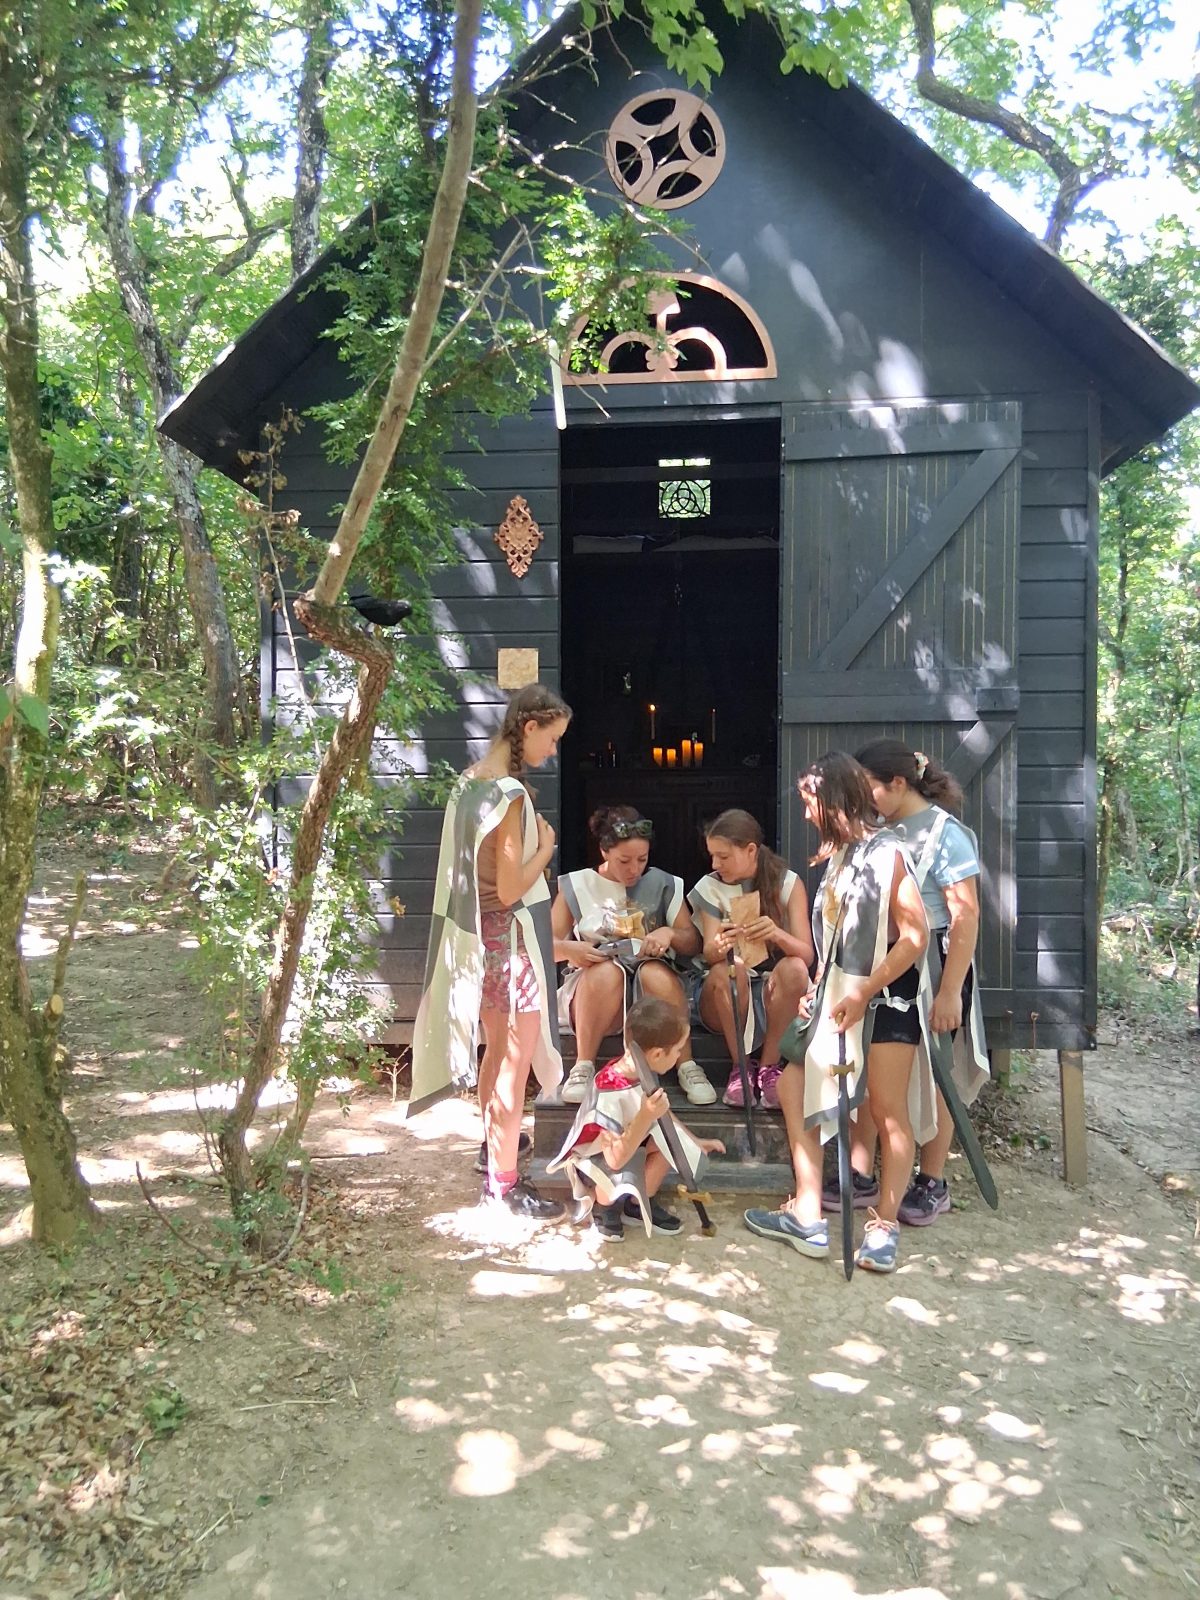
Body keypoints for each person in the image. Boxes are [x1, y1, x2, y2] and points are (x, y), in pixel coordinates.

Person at [743, 753, 936, 1274]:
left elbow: (914, 936)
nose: (806, 814)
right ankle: (807, 1214)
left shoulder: (888, 854)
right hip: (834, 1002)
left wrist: (865, 990)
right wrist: (819, 988)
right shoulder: (840, 858)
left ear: (833, 801)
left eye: (810, 803)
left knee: (886, 1111)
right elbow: (836, 940)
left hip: (885, 1002)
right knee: (792, 1086)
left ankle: (884, 1226)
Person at [410, 683, 571, 1219]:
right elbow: (508, 888)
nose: (553, 750)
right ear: (529, 727)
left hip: (480, 942)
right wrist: (546, 850)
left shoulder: (468, 782)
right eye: (552, 738)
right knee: (514, 1064)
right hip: (511, 942)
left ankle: (492, 1152)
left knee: (496, 1052)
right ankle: (504, 1186)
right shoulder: (508, 794)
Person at [838, 738, 989, 1226]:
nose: (864, 800)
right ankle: (863, 1172)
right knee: (876, 1066)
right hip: (890, 964)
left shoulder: (947, 834)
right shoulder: (882, 831)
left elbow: (965, 916)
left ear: (899, 783)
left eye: (870, 788)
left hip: (938, 965)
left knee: (938, 1070)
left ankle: (932, 1180)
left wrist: (950, 992)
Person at [552, 806, 712, 1108]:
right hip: (596, 993)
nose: (634, 869)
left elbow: (693, 942)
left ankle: (687, 1064)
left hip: (651, 993)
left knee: (655, 973)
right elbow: (546, 944)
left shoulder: (664, 883)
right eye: (624, 861)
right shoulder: (577, 884)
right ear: (604, 851)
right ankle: (583, 1065)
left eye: (642, 859)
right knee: (606, 972)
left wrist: (669, 933)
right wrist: (571, 949)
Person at [547, 995, 725, 1242]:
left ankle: (637, 1204)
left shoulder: (643, 1071)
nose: (678, 1056)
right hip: (598, 1158)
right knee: (611, 1172)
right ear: (657, 1054)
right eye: (678, 1051)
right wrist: (645, 1115)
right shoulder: (608, 1090)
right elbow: (614, 1158)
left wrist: (692, 1141)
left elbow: (664, 1115)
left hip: (631, 1145)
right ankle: (604, 1207)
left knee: (670, 1143)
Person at [687, 809, 814, 1109]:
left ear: (751, 850)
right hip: (726, 991)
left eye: (723, 856)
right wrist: (721, 944)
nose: (715, 864)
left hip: (773, 990)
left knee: (795, 969)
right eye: (712, 856)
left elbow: (807, 954)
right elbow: (709, 953)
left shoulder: (787, 883)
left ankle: (769, 1067)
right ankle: (740, 1067)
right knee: (731, 970)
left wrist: (777, 934)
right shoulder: (710, 886)